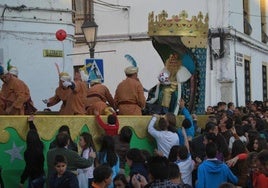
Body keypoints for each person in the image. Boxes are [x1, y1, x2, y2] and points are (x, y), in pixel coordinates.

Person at [19, 115, 45, 188]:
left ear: (28, 140)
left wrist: (22, 181)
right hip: (42, 176)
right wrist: (31, 122)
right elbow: (34, 133)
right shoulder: (40, 146)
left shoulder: (28, 153)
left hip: (34, 178)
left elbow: (28, 168)